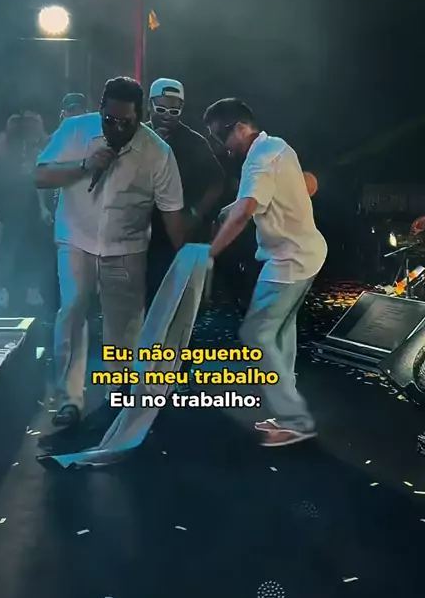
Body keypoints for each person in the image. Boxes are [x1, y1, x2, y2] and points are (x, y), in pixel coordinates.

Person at [35, 76, 185, 428]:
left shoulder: (157, 152)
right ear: (100, 109)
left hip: (126, 246)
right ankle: (70, 400)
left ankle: (118, 392)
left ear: (139, 117)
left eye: (125, 122)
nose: (117, 127)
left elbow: (172, 212)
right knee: (72, 311)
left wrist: (186, 260)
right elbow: (40, 175)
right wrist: (84, 166)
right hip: (75, 237)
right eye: (109, 119)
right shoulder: (75, 130)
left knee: (125, 322)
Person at [204, 98, 327, 447]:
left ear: (242, 128)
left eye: (221, 137)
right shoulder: (276, 146)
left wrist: (209, 254)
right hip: (306, 253)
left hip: (290, 260)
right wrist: (230, 208)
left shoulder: (258, 158)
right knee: (280, 333)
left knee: (256, 333)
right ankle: (287, 414)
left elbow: (246, 211)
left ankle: (296, 420)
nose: (223, 147)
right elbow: (271, 193)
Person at [145, 78, 224, 301]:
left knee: (175, 298)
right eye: (160, 109)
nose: (167, 116)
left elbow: (217, 182)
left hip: (177, 234)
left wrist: (195, 214)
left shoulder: (194, 142)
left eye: (174, 111)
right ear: (149, 105)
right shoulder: (137, 136)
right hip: (140, 232)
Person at [0, 111, 50, 310]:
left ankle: (32, 288)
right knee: (9, 248)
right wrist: (10, 129)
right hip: (12, 204)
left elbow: (49, 152)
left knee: (35, 248)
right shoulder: (9, 143)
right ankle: (2, 289)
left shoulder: (40, 144)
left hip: (34, 205)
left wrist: (39, 128)